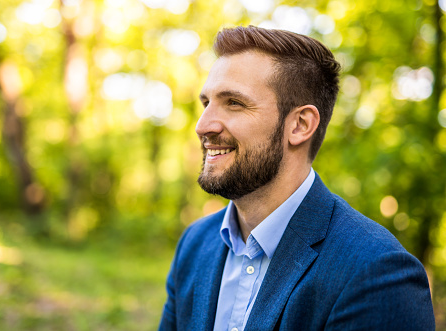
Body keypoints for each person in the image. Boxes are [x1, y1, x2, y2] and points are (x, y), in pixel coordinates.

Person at [159, 26, 435, 331]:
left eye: (234, 103)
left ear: (300, 125)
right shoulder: (195, 244)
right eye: (206, 103)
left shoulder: (376, 273)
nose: (203, 125)